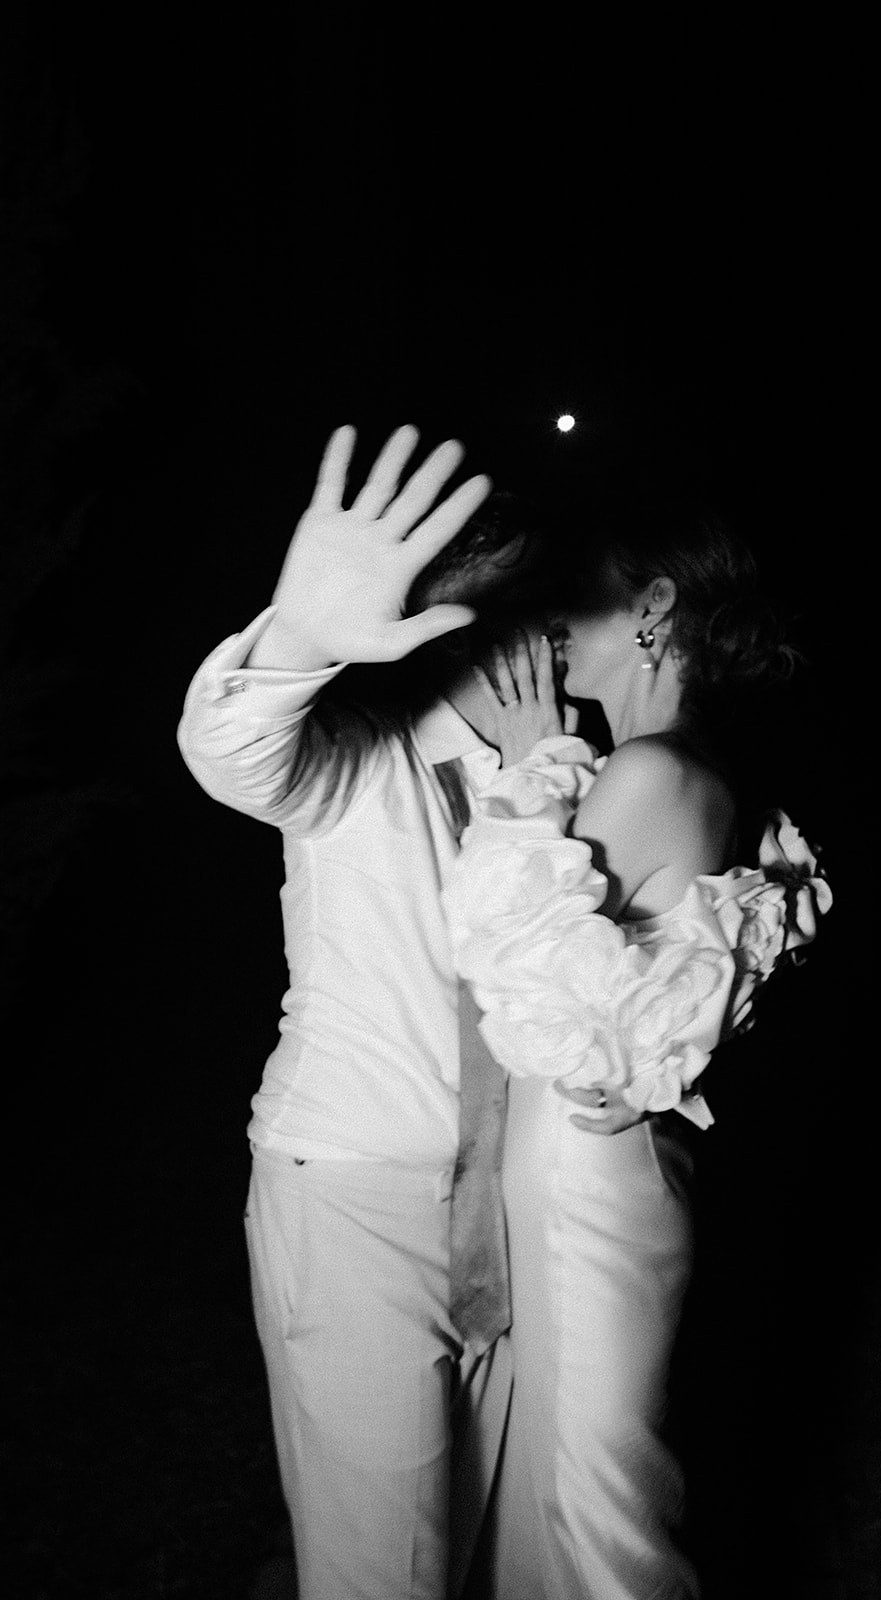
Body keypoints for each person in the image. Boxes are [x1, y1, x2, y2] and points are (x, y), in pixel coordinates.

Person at [177, 423, 577, 1600]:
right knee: (377, 1570)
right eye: (505, 611)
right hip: (354, 1201)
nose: (537, 639)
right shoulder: (360, 761)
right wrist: (298, 639)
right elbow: (235, 754)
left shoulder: (563, 774)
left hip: (512, 1210)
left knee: (468, 1544)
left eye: (546, 612)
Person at [440, 511, 831, 1598]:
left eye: (582, 598)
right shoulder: (682, 766)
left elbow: (515, 969)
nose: (556, 625)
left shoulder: (649, 770)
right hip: (611, 1164)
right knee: (569, 1486)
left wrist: (527, 772)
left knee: (595, 1508)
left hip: (581, 1183)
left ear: (654, 611)